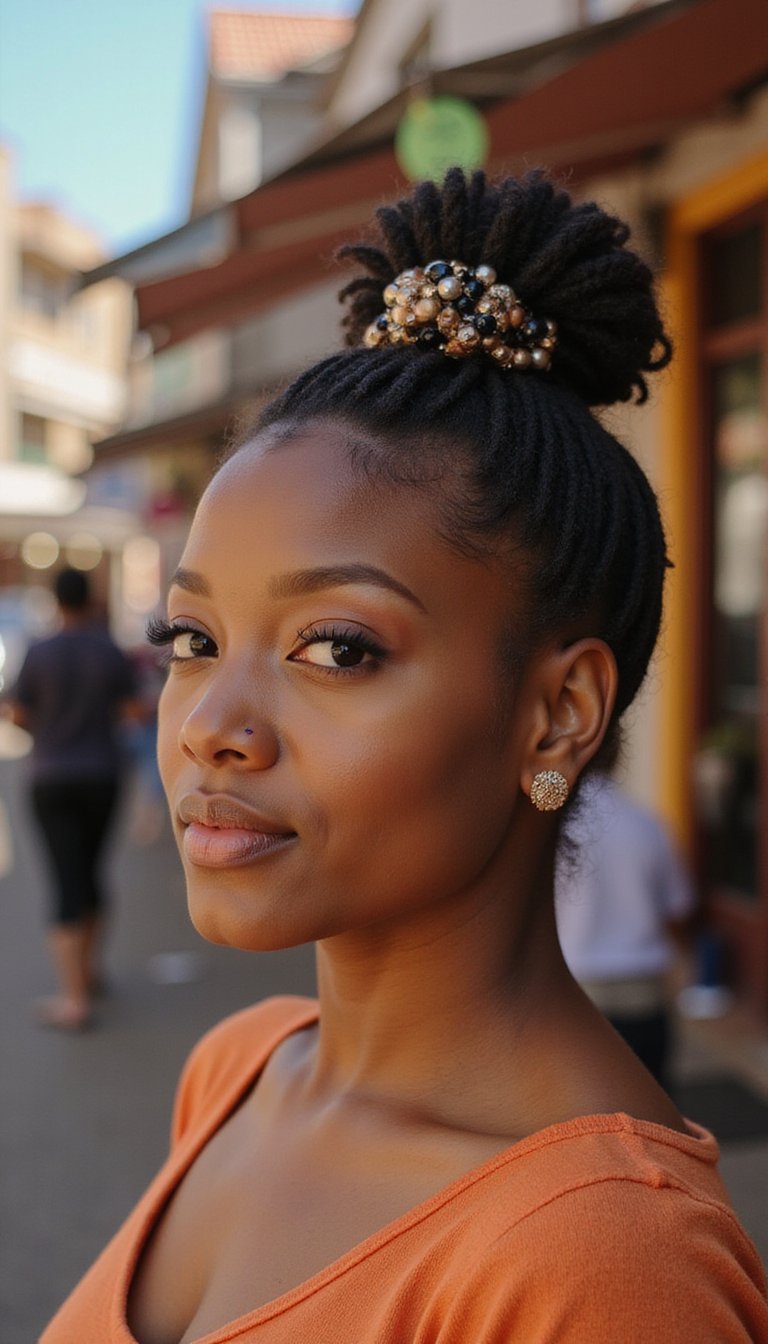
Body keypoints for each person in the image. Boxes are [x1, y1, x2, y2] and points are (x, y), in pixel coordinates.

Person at [42, 171, 768, 1341]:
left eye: (335, 647)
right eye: (193, 638)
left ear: (558, 715)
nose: (208, 723)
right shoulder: (238, 1070)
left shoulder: (605, 1267)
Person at [10, 566, 140, 1029]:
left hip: (50, 777)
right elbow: (132, 711)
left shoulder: (39, 651)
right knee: (92, 871)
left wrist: (46, 726)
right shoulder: (109, 651)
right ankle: (91, 970)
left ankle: (74, 998)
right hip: (102, 773)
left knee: (66, 879)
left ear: (56, 601)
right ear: (90, 599)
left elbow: (19, 712)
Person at [555, 765, 694, 1090]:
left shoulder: (551, 829)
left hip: (573, 991)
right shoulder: (644, 824)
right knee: (652, 1108)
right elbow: (678, 909)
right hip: (642, 991)